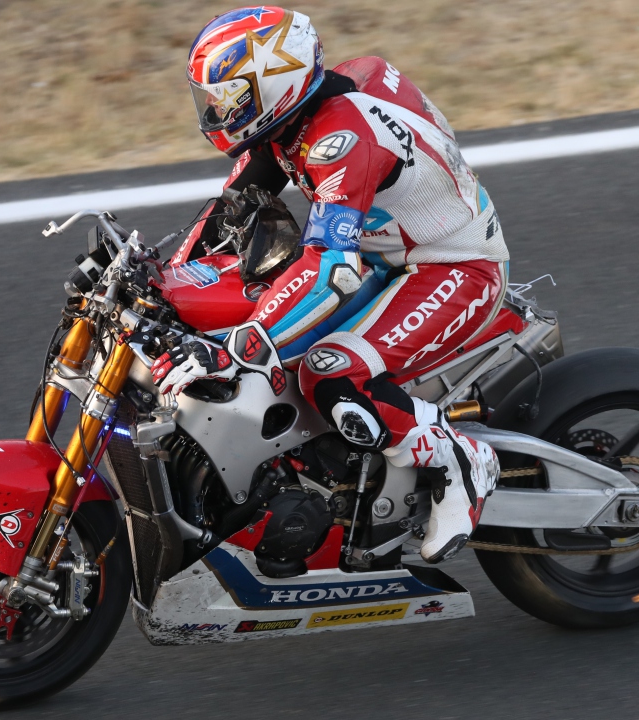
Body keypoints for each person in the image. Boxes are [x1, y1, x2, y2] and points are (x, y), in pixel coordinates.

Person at [152, 6, 507, 564]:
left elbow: (330, 270)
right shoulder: (290, 121)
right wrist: (163, 282)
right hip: (388, 257)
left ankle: (457, 459)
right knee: (253, 316)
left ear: (273, 85)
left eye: (229, 97)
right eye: (212, 99)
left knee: (328, 371)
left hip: (452, 268)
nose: (217, 111)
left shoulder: (341, 140)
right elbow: (228, 213)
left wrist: (238, 348)